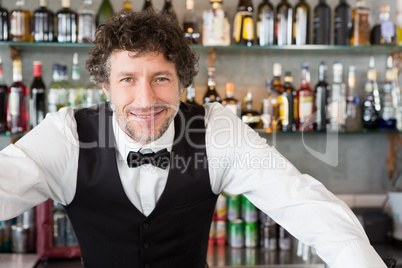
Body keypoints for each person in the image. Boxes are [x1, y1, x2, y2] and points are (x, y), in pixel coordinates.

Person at [0, 11, 386, 268]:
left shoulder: (215, 130)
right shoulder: (68, 135)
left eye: (161, 79)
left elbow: (303, 202)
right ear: (105, 87)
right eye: (128, 79)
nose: (146, 100)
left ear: (183, 84)